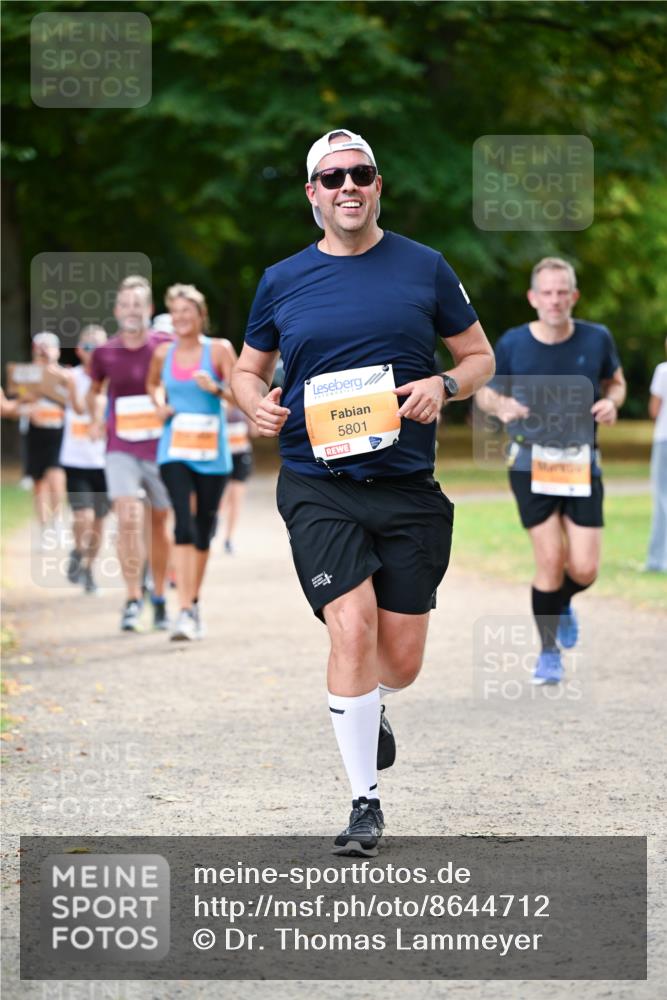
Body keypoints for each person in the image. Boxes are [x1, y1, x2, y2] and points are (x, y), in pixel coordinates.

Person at [232, 128, 495, 856]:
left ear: (377, 185)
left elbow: (479, 357)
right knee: (350, 626)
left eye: (361, 173)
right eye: (332, 177)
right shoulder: (282, 279)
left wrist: (442, 385)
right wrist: (252, 401)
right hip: (319, 482)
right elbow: (248, 370)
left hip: (407, 486)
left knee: (398, 661)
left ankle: (371, 702)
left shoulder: (425, 267)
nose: (348, 186)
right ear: (311, 194)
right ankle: (362, 802)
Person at [475, 257, 626, 685]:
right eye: (547, 292)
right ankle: (548, 653)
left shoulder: (597, 339)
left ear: (574, 296)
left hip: (581, 461)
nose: (555, 300)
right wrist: (500, 404)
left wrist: (612, 401)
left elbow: (615, 381)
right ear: (533, 297)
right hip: (529, 462)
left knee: (584, 568)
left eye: (563, 292)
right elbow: (485, 390)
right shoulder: (512, 343)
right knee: (550, 559)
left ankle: (559, 604)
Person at [147, 283, 234, 640]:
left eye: (188, 311)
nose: (182, 318)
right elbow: (152, 384)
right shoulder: (162, 353)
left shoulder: (219, 350)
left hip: (212, 453)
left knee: (202, 528)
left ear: (201, 315)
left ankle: (192, 603)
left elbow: (242, 393)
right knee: (182, 521)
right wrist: (158, 404)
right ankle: (183, 609)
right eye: (176, 312)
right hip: (174, 449)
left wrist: (214, 387)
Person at [87, 276, 173, 632]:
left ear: (149, 310)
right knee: (127, 516)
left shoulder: (165, 345)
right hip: (120, 445)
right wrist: (95, 417)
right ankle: (133, 597)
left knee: (159, 522)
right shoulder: (105, 352)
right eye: (125, 305)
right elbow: (95, 391)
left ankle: (159, 595)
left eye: (138, 304)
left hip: (160, 445)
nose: (132, 310)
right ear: (116, 311)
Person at [59, 325, 111, 594]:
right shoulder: (72, 377)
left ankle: (89, 569)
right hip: (76, 460)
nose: (95, 353)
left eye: (101, 347)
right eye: (89, 347)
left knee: (100, 521)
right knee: (84, 516)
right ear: (79, 350)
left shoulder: (113, 380)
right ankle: (78, 552)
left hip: (105, 462)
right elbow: (78, 407)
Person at [24, 332, 68, 550]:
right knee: (39, 483)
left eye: (48, 347)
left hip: (58, 433)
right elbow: (21, 399)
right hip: (36, 432)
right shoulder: (28, 376)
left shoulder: (66, 375)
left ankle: (58, 521)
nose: (44, 351)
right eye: (40, 348)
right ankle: (43, 529)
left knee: (56, 479)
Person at [219, 401, 256, 554]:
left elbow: (254, 432)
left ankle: (229, 538)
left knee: (236, 499)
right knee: (221, 499)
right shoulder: (219, 399)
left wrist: (251, 416)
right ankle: (212, 529)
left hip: (241, 454)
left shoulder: (243, 399)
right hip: (222, 456)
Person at [646, 338, 667, 572]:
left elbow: (654, 410)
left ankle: (657, 560)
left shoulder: (663, 371)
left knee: (662, 499)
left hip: (664, 439)